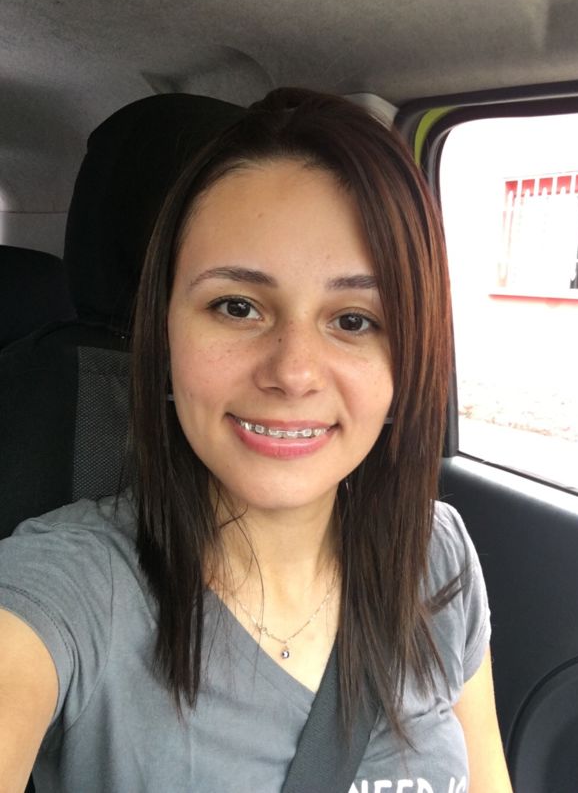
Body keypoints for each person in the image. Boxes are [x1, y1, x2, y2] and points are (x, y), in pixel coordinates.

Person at [0, 89, 513, 792]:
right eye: (237, 307)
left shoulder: (434, 556)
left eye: (355, 320)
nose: (293, 372)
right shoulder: (69, 586)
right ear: (165, 334)